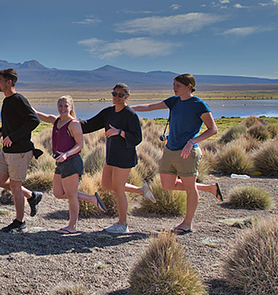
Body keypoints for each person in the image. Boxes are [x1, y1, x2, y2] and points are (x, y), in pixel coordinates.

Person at [131, 74, 222, 234]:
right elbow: (150, 107)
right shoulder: (174, 101)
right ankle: (209, 188)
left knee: (189, 188)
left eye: (177, 85)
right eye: (173, 85)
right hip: (170, 149)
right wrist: (128, 108)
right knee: (167, 185)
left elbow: (213, 129)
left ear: (189, 87)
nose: (174, 88)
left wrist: (192, 141)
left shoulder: (199, 105)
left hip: (187, 152)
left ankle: (187, 224)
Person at [80, 83, 156, 234]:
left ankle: (123, 224)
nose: (116, 97)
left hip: (124, 156)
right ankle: (142, 190)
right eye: (114, 94)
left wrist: (119, 132)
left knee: (118, 189)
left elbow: (137, 138)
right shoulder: (108, 112)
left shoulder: (130, 114)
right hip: (112, 155)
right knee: (107, 184)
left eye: (120, 95)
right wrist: (71, 123)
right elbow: (90, 124)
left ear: (127, 97)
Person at [34, 96, 105, 234]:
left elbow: (80, 145)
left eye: (65, 106)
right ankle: (91, 198)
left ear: (71, 107)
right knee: (58, 193)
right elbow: (39, 114)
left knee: (71, 196)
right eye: (60, 106)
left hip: (71, 162)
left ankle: (72, 226)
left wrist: (66, 154)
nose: (62, 109)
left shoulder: (74, 124)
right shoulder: (57, 121)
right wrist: (20, 101)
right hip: (60, 162)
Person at [0, 68, 43, 233]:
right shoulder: (7, 101)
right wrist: (1, 132)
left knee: (15, 186)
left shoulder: (18, 99)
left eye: (0, 80)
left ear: (9, 82)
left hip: (19, 152)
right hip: (7, 151)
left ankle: (20, 222)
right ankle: (32, 196)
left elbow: (33, 120)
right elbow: (11, 121)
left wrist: (13, 137)